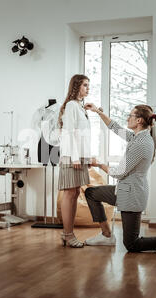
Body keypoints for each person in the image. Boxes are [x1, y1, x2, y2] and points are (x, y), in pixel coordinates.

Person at [83, 103, 156, 252]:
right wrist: (98, 112)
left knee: (132, 244)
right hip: (123, 190)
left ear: (139, 121)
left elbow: (119, 172)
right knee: (91, 193)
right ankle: (106, 235)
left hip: (132, 195)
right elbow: (115, 127)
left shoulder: (141, 143)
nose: (127, 118)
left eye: (130, 115)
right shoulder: (137, 137)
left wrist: (99, 164)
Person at [57, 74, 92, 248]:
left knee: (75, 193)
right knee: (70, 194)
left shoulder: (80, 106)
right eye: (85, 85)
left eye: (88, 85)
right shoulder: (71, 105)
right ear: (76, 86)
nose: (88, 88)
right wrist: (75, 157)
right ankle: (68, 234)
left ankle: (68, 233)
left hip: (79, 156)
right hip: (72, 156)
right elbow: (69, 132)